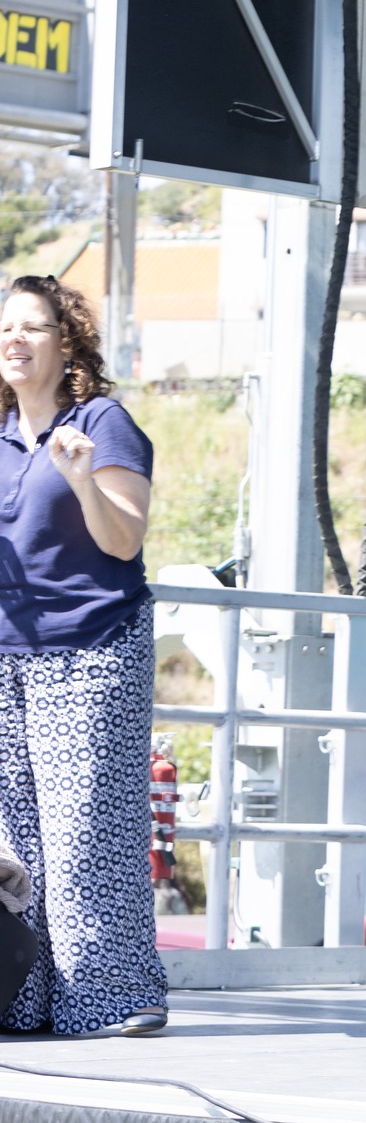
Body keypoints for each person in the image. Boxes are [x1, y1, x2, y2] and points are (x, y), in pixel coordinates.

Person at [0, 275, 167, 1035]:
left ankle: (114, 997)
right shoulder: (1, 434)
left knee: (86, 834)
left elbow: (123, 539)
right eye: (6, 327)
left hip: (94, 648)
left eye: (33, 327)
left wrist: (79, 478)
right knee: (18, 842)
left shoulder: (99, 422)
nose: (15, 339)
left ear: (66, 342)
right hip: (10, 657)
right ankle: (27, 997)